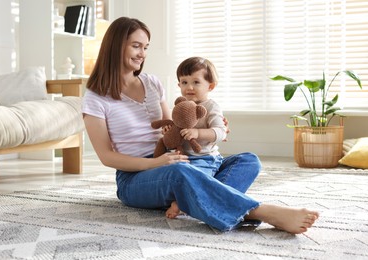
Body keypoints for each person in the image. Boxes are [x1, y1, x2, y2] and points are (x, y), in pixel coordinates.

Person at [82, 16, 319, 234]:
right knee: (180, 173)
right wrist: (155, 162)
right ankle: (263, 212)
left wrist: (207, 127)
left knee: (247, 160)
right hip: (135, 178)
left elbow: (174, 126)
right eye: (136, 46)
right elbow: (106, 156)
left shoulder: (152, 83)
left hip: (176, 158)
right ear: (115, 45)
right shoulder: (95, 97)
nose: (142, 53)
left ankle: (190, 199)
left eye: (145, 47)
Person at [165, 56, 227, 219]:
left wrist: (198, 133)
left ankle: (183, 203)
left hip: (205, 158)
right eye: (184, 82)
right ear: (178, 85)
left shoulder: (211, 106)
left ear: (210, 86)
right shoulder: (181, 105)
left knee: (197, 178)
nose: (189, 87)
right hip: (184, 157)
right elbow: (177, 129)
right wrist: (168, 130)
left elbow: (221, 132)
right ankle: (183, 198)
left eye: (196, 82)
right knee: (174, 174)